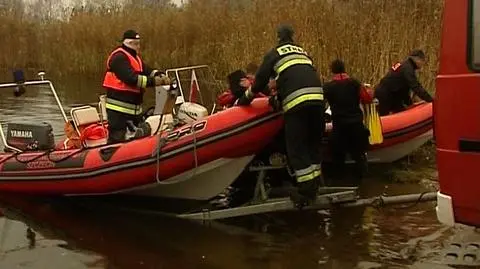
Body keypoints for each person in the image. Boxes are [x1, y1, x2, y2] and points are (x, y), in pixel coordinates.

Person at [237, 24, 326, 208]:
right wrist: (279, 94)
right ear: (292, 37)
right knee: (312, 144)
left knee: (297, 147)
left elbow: (260, 81)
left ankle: (305, 194)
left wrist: (245, 99)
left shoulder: (275, 53)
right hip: (318, 100)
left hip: (297, 103)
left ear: (278, 38)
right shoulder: (303, 52)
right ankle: (314, 186)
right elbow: (298, 77)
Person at [102, 29, 171, 143]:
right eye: (136, 44)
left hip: (133, 111)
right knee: (118, 139)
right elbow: (131, 79)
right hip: (119, 112)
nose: (139, 47)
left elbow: (146, 70)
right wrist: (154, 82)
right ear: (130, 43)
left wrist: (159, 74)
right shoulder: (119, 57)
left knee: (137, 138)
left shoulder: (135, 58)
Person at [323, 59, 372, 182]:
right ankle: (362, 182)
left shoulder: (328, 87)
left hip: (340, 127)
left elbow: (320, 102)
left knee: (338, 158)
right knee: (359, 156)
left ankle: (340, 182)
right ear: (344, 69)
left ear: (332, 71)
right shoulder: (355, 83)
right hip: (356, 125)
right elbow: (367, 98)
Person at [374, 49, 434, 116]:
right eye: (423, 61)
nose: (422, 64)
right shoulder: (408, 69)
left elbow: (404, 89)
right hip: (385, 95)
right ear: (417, 59)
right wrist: (431, 100)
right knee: (383, 117)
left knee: (401, 111)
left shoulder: (405, 65)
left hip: (393, 94)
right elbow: (416, 87)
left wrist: (410, 104)